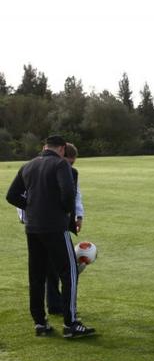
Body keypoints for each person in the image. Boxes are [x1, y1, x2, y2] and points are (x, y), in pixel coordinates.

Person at [6, 135, 96, 338]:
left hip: (32, 227)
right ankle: (71, 323)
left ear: (44, 146)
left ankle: (40, 323)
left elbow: (11, 195)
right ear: (63, 149)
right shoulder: (59, 165)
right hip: (55, 226)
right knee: (69, 271)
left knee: (36, 275)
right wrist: (63, 213)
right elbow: (67, 194)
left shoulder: (28, 165)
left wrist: (31, 207)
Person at [16, 142, 84, 315]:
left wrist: (77, 216)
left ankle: (46, 314)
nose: (70, 167)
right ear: (61, 154)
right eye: (69, 163)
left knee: (46, 271)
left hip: (42, 225)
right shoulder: (45, 170)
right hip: (49, 225)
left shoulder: (66, 172)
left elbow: (76, 195)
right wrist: (32, 213)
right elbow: (25, 195)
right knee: (63, 271)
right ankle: (68, 317)